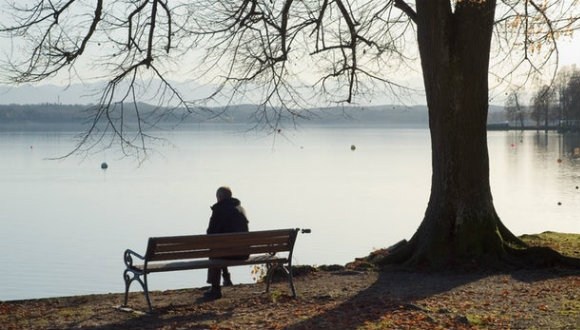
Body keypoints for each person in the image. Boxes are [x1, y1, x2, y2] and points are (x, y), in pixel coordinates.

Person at [204, 186, 249, 300]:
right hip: (243, 253)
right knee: (221, 248)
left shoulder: (219, 210)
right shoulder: (240, 209)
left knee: (215, 250)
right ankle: (226, 278)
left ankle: (215, 288)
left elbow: (210, 234)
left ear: (219, 197)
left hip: (227, 252)